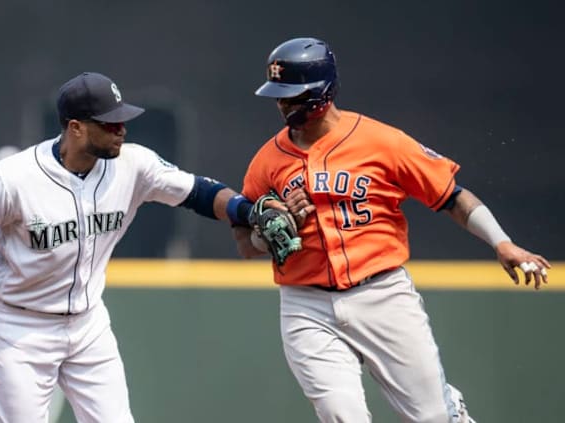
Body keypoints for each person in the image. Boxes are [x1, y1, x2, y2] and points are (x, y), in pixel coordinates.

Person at [230, 37, 550, 423]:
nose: (283, 105)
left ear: (323, 91)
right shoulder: (267, 161)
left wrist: (503, 243)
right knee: (340, 413)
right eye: (279, 96)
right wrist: (272, 231)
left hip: (382, 293)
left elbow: (451, 196)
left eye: (293, 95)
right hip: (306, 303)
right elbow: (246, 244)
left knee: (431, 417)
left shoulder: (381, 141)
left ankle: (448, 405)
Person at [0, 71, 243, 423]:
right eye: (110, 124)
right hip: (16, 328)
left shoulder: (133, 164)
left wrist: (245, 210)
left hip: (87, 325)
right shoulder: (12, 178)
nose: (122, 130)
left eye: (122, 121)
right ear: (76, 127)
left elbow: (200, 193)